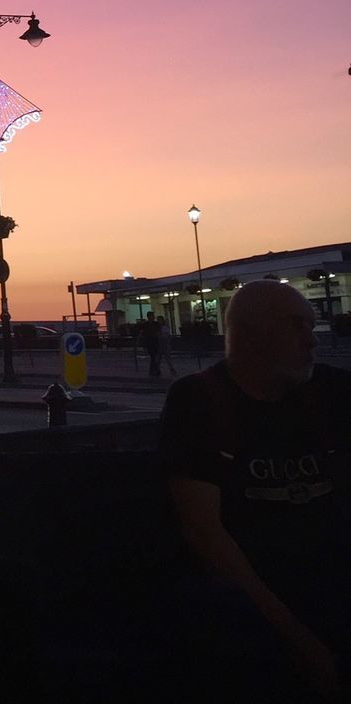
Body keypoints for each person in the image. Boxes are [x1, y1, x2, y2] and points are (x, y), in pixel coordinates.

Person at [159, 279, 351, 700]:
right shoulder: (200, 402)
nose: (312, 341)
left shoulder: (331, 392)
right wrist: (295, 637)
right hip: (253, 598)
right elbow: (204, 532)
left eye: (312, 326)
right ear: (247, 334)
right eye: (296, 326)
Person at [141, 311, 161, 376]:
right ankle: (155, 370)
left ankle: (154, 370)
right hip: (150, 342)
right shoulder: (146, 325)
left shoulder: (156, 324)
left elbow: (159, 332)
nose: (153, 317)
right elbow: (144, 335)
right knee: (153, 357)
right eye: (152, 316)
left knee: (154, 357)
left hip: (155, 342)